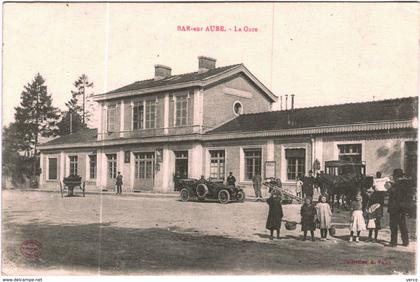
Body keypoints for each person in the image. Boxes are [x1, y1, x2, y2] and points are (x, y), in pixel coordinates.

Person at [387, 169, 410, 247]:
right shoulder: (405, 184)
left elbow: (393, 194)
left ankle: (393, 242)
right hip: (402, 207)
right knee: (402, 224)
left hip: (394, 207)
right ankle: (405, 241)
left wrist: (390, 186)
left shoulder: (396, 184)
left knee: (393, 225)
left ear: (395, 176)